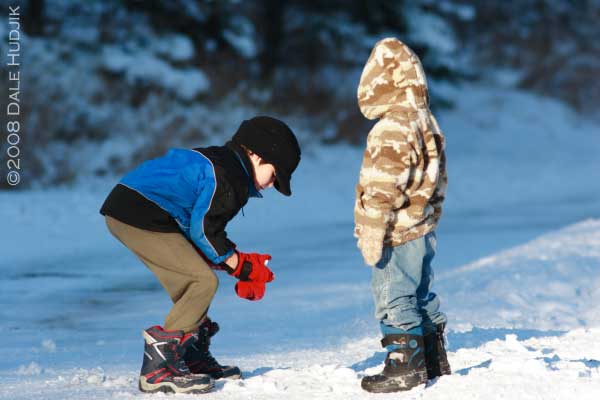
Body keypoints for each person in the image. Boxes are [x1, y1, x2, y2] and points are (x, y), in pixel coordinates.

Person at [99, 116, 301, 394]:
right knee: (201, 282)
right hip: (142, 213)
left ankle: (190, 355)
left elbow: (203, 230)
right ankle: (160, 365)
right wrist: (240, 266)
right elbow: (205, 231)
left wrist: (227, 260)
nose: (271, 184)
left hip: (138, 207)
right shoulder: (230, 178)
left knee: (194, 276)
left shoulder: (223, 163)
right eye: (274, 174)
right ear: (255, 154)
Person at [353, 37, 451, 393]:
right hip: (422, 227)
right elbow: (438, 179)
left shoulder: (392, 127)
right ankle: (432, 355)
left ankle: (404, 364)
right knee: (421, 292)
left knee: (394, 295)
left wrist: (372, 233)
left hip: (396, 231)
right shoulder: (426, 121)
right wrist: (431, 217)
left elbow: (382, 186)